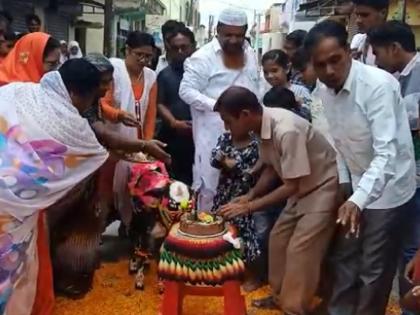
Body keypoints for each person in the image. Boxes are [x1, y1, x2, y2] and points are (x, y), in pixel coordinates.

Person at [306, 20, 416, 315]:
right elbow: (340, 138)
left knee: (373, 268)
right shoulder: (324, 87)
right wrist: (346, 184)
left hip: (389, 188)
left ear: (348, 53)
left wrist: (358, 198)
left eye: (335, 60)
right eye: (321, 65)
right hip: (357, 182)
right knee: (345, 257)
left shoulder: (378, 86)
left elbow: (387, 155)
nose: (329, 71)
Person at [216, 86, 338, 314]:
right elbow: (272, 166)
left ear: (244, 114)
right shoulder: (261, 126)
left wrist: (250, 207)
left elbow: (291, 185)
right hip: (300, 190)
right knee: (278, 240)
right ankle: (280, 296)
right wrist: (249, 196)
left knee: (300, 250)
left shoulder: (286, 130)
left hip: (322, 187)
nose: (226, 127)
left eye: (228, 121)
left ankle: (294, 308)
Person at [0, 58, 108, 315]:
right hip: (13, 217)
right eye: (90, 99)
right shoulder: (71, 124)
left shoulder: (18, 90)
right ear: (73, 93)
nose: (87, 106)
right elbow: (94, 154)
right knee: (11, 281)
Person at [179, 7, 260, 210]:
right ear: (218, 30)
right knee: (210, 189)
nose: (234, 40)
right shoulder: (202, 57)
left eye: (239, 35)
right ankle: (208, 237)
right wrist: (217, 106)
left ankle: (237, 239)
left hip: (249, 139)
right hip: (214, 137)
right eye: (228, 35)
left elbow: (257, 89)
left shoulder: (250, 54)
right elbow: (186, 91)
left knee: (245, 187)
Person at [368, 21, 420, 315]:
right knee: (405, 248)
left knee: (413, 247)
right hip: (406, 175)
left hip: (416, 176)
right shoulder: (399, 78)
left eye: (377, 53)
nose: (375, 60)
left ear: (394, 48)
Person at [101, 31, 158, 231]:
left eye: (148, 56)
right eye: (139, 55)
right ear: (127, 50)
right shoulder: (113, 70)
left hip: (136, 145)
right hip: (111, 142)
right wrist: (119, 115)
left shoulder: (150, 77)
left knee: (134, 190)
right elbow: (102, 104)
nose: (144, 61)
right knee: (106, 190)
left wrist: (147, 145)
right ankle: (99, 228)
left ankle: (130, 228)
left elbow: (150, 113)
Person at [157, 26, 195, 185]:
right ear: (169, 50)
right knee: (175, 184)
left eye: (184, 47)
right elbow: (159, 103)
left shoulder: (204, 72)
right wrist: (173, 122)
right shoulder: (164, 75)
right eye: (175, 48)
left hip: (200, 137)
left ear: (193, 46)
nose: (180, 51)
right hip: (173, 138)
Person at [262, 49, 312, 118]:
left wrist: (298, 105)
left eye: (274, 70)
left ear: (287, 68)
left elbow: (308, 115)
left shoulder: (300, 92)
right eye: (266, 72)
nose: (269, 76)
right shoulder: (265, 93)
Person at [351, 0, 389, 65]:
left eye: (365, 15)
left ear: (383, 13)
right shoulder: (358, 40)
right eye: (357, 15)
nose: (358, 20)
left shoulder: (392, 46)